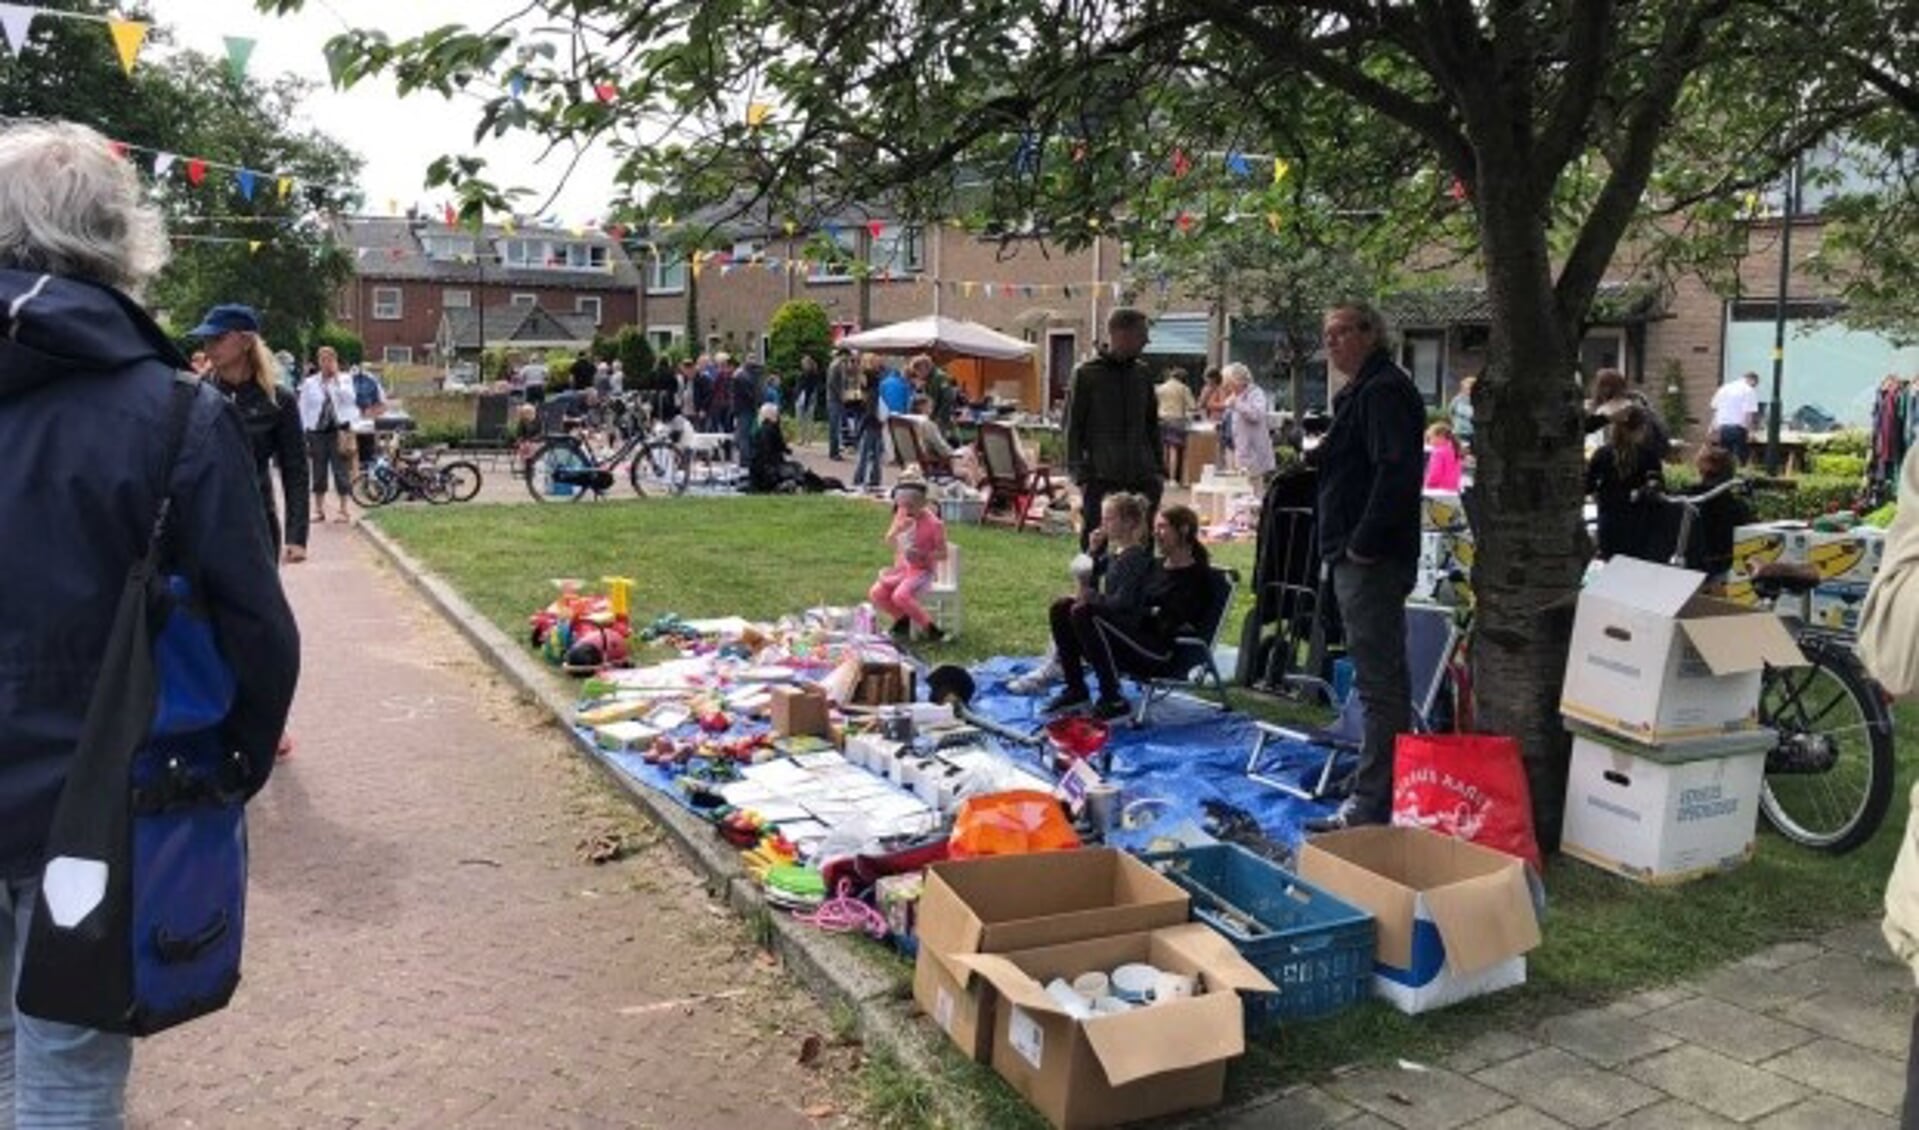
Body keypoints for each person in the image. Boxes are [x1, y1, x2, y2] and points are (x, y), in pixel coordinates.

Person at [0, 118, 300, 1126]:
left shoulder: (183, 405)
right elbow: (257, 630)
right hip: (93, 806)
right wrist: (231, 767)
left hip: (71, 797)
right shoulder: (172, 411)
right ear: (123, 240)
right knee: (69, 1083)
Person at [1304, 302, 1426, 833]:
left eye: (1340, 333)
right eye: (1326, 334)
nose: (1331, 343)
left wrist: (1364, 544)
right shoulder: (1362, 390)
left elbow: (1396, 471)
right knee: (1373, 677)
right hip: (1351, 549)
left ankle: (1373, 800)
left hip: (1370, 556)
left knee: (1380, 683)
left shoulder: (1383, 390)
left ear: (1371, 333)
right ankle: (1373, 783)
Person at [193, 304, 310, 560]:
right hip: (201, 525)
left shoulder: (279, 400)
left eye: (218, 338)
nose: (209, 347)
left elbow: (295, 468)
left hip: (256, 523)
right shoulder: (194, 395)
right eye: (205, 340)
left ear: (246, 342)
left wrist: (296, 535)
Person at [1065, 308, 1163, 551]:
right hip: (1101, 473)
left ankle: (1140, 586)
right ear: (1121, 334)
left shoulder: (1142, 374)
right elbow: (1072, 426)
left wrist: (1158, 469)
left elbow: (1151, 424)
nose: (1146, 341)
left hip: (1142, 474)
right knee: (1096, 537)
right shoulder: (1086, 374)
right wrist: (1080, 475)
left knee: (1143, 538)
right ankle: (1088, 586)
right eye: (1142, 334)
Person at [868, 469, 947, 642]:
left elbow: (943, 554)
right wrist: (898, 530)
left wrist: (924, 555)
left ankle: (931, 629)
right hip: (903, 568)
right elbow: (889, 540)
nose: (906, 510)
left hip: (922, 571)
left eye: (911, 506)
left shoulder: (934, 524)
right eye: (902, 505)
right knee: (876, 593)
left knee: (900, 595)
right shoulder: (901, 516)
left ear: (923, 503)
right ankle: (902, 620)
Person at [1585, 405, 1670, 562]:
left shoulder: (1601, 454)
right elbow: (1659, 491)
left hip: (1609, 525)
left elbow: (1586, 487)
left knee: (1612, 575)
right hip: (1640, 528)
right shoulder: (1648, 456)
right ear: (1642, 428)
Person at [299, 346, 361, 523]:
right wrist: (302, 431)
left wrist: (336, 380)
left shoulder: (345, 379)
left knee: (340, 469)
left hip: (338, 432)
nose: (326, 363)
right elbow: (303, 408)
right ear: (318, 362)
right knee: (318, 470)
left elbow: (350, 399)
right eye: (323, 360)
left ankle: (344, 509)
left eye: (329, 360)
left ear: (335, 361)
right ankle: (318, 509)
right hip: (317, 432)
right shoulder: (310, 382)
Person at [1682, 445, 1754, 583]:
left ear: (1699, 470)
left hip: (1690, 569)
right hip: (1720, 571)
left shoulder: (1685, 499)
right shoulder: (1738, 507)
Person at [1222, 363, 1275, 496]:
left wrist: (1237, 405)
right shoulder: (1236, 395)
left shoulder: (1256, 393)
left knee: (1254, 490)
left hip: (1253, 450)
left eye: (1229, 382)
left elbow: (1257, 414)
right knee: (1239, 489)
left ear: (1237, 381)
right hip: (1236, 448)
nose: (1227, 386)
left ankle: (1256, 515)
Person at [748, 403, 803, 493]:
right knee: (796, 467)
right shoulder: (773, 429)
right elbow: (780, 448)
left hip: (757, 471)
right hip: (770, 470)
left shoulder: (759, 430)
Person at [1710, 370, 1761, 465]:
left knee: (1724, 459)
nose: (1754, 387)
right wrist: (1750, 433)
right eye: (1755, 385)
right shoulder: (1748, 390)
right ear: (1752, 380)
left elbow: (1715, 408)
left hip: (1723, 428)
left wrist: (1713, 428)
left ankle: (1725, 477)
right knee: (1739, 459)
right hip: (1738, 429)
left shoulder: (1725, 388)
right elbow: (1748, 414)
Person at [1156, 367, 1197, 481]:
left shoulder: (1160, 388)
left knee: (1164, 449)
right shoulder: (1184, 388)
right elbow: (1192, 406)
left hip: (1161, 419)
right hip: (1176, 420)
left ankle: (1163, 477)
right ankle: (1173, 479)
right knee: (1174, 449)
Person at [853, 355, 886, 490]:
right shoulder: (877, 380)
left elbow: (860, 405)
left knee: (865, 452)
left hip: (869, 420)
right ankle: (874, 479)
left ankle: (861, 479)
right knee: (874, 453)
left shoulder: (869, 382)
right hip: (874, 420)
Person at [350, 361, 387, 472]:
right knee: (358, 458)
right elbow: (382, 404)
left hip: (365, 426)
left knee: (363, 457)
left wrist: (372, 412)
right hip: (356, 427)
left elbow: (382, 405)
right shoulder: (346, 381)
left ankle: (361, 480)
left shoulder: (371, 381)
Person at [825, 347, 852, 460]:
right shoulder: (836, 365)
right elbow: (833, 383)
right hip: (834, 400)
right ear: (843, 355)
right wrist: (841, 395)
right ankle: (833, 452)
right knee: (834, 427)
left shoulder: (838, 365)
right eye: (847, 356)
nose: (848, 359)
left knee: (836, 426)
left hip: (835, 399)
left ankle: (834, 451)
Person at [1424, 420, 1463, 491]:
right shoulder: (1453, 449)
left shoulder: (1438, 452)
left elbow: (1435, 473)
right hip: (1453, 488)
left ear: (1440, 437)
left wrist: (1427, 485)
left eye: (1430, 438)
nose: (1429, 441)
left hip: (1439, 489)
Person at [1448, 375, 1475, 453]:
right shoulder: (1457, 399)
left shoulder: (1479, 400)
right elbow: (1451, 412)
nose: (1467, 390)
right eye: (1465, 388)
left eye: (1469, 388)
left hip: (1473, 432)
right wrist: (1455, 423)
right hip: (1459, 432)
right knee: (1460, 452)